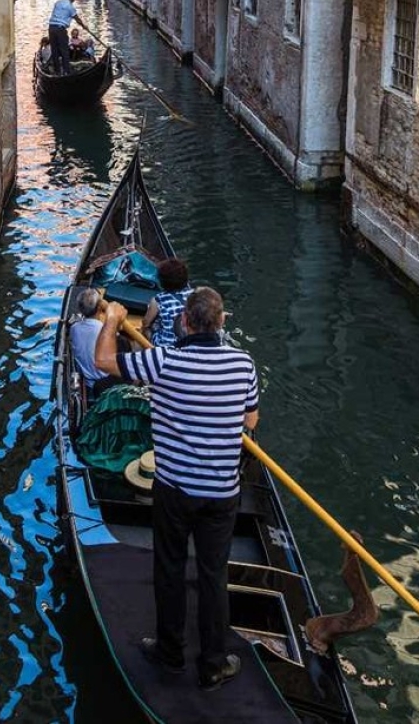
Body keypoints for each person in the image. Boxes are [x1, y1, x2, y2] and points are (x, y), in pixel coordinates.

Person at [95, 287, 259, 692]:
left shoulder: (164, 360)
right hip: (222, 493)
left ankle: (170, 654)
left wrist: (114, 318)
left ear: (184, 323)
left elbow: (102, 361)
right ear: (221, 323)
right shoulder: (243, 364)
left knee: (169, 569)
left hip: (174, 489)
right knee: (212, 575)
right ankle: (214, 664)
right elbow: (251, 422)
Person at [70, 288, 120, 398]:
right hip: (106, 381)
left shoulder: (74, 328)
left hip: (88, 381)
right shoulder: (105, 329)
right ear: (99, 308)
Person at [142, 258, 192, 347]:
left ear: (162, 282)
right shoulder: (194, 295)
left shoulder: (158, 299)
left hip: (165, 345)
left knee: (146, 329)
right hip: (188, 342)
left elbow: (146, 322)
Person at [48, 0, 82, 75]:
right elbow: (77, 19)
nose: (74, 0)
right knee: (64, 51)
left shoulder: (58, 3)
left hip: (51, 28)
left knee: (54, 50)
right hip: (60, 29)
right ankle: (67, 71)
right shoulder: (70, 7)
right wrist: (84, 26)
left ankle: (57, 72)